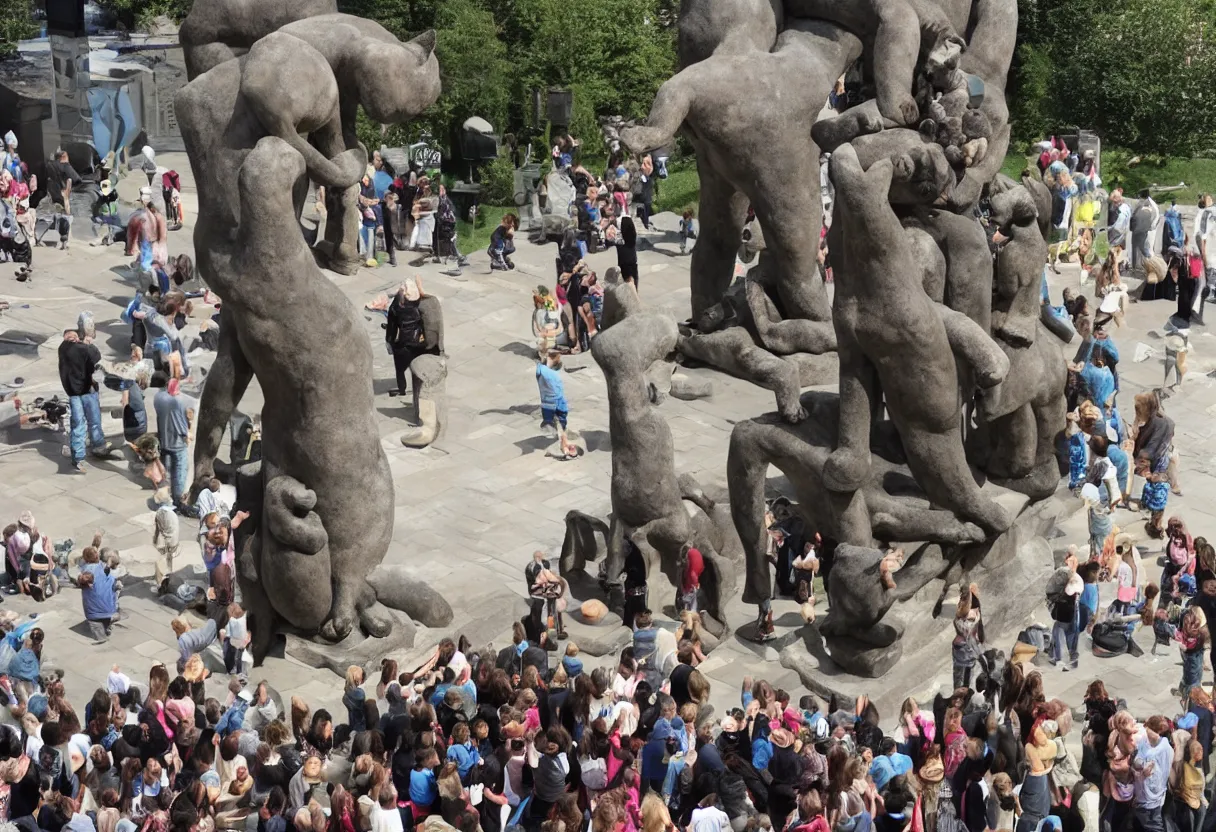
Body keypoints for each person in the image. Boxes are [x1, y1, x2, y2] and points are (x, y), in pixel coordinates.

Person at [58, 329, 113, 473]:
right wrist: (89, 343)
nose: (73, 338)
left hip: (84, 390)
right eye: (70, 336)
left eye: (75, 336)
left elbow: (92, 361)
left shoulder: (70, 349)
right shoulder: (67, 348)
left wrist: (86, 345)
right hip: (80, 393)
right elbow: (94, 355)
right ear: (65, 338)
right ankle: (80, 457)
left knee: (92, 421)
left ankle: (97, 447)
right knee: (81, 425)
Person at [153, 378, 195, 516]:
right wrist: (187, 433)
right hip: (177, 444)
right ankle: (178, 502)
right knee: (180, 474)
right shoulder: (178, 401)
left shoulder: (158, 399)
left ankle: (165, 501)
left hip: (164, 442)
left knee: (166, 474)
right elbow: (182, 423)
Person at [385, 277, 428, 396]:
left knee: (400, 369)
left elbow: (392, 329)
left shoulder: (396, 306)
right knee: (418, 368)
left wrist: (389, 342)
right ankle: (420, 390)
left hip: (404, 344)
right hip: (421, 342)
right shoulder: (421, 302)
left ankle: (402, 389)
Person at [536, 351, 577, 459]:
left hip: (551, 403)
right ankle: (563, 447)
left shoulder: (542, 370)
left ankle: (564, 445)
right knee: (558, 426)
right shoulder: (546, 371)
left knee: (558, 426)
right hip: (555, 404)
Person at [37, 150, 81, 250]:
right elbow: (77, 179)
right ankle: (64, 242)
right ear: (63, 156)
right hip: (62, 194)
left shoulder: (49, 165)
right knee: (65, 218)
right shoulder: (65, 166)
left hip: (50, 194)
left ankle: (39, 238)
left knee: (50, 217)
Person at [952, 584, 982, 689]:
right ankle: (962, 691)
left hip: (963, 648)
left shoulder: (963, 610)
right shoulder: (968, 612)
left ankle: (961, 691)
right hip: (965, 648)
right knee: (962, 674)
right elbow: (968, 633)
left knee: (961, 674)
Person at [151, 502, 179, 595]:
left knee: (159, 562)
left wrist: (155, 540)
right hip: (174, 541)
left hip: (164, 541)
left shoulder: (159, 513)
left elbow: (157, 530)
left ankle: (159, 584)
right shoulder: (173, 514)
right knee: (170, 560)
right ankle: (170, 581)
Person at [359, 169, 381, 266]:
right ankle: (366, 256)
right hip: (364, 216)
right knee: (364, 237)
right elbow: (363, 200)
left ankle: (370, 257)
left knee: (371, 238)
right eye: (364, 180)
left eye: (366, 180)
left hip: (371, 218)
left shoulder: (372, 189)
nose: (365, 182)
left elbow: (376, 200)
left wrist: (369, 202)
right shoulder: (361, 188)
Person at [613, 216, 640, 290]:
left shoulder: (620, 242)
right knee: (634, 283)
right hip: (633, 262)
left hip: (624, 264)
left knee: (628, 284)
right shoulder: (632, 239)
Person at [633, 155, 655, 230]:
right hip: (644, 198)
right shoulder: (643, 176)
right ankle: (645, 224)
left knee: (645, 212)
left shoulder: (646, 177)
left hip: (645, 198)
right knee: (644, 212)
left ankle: (645, 223)